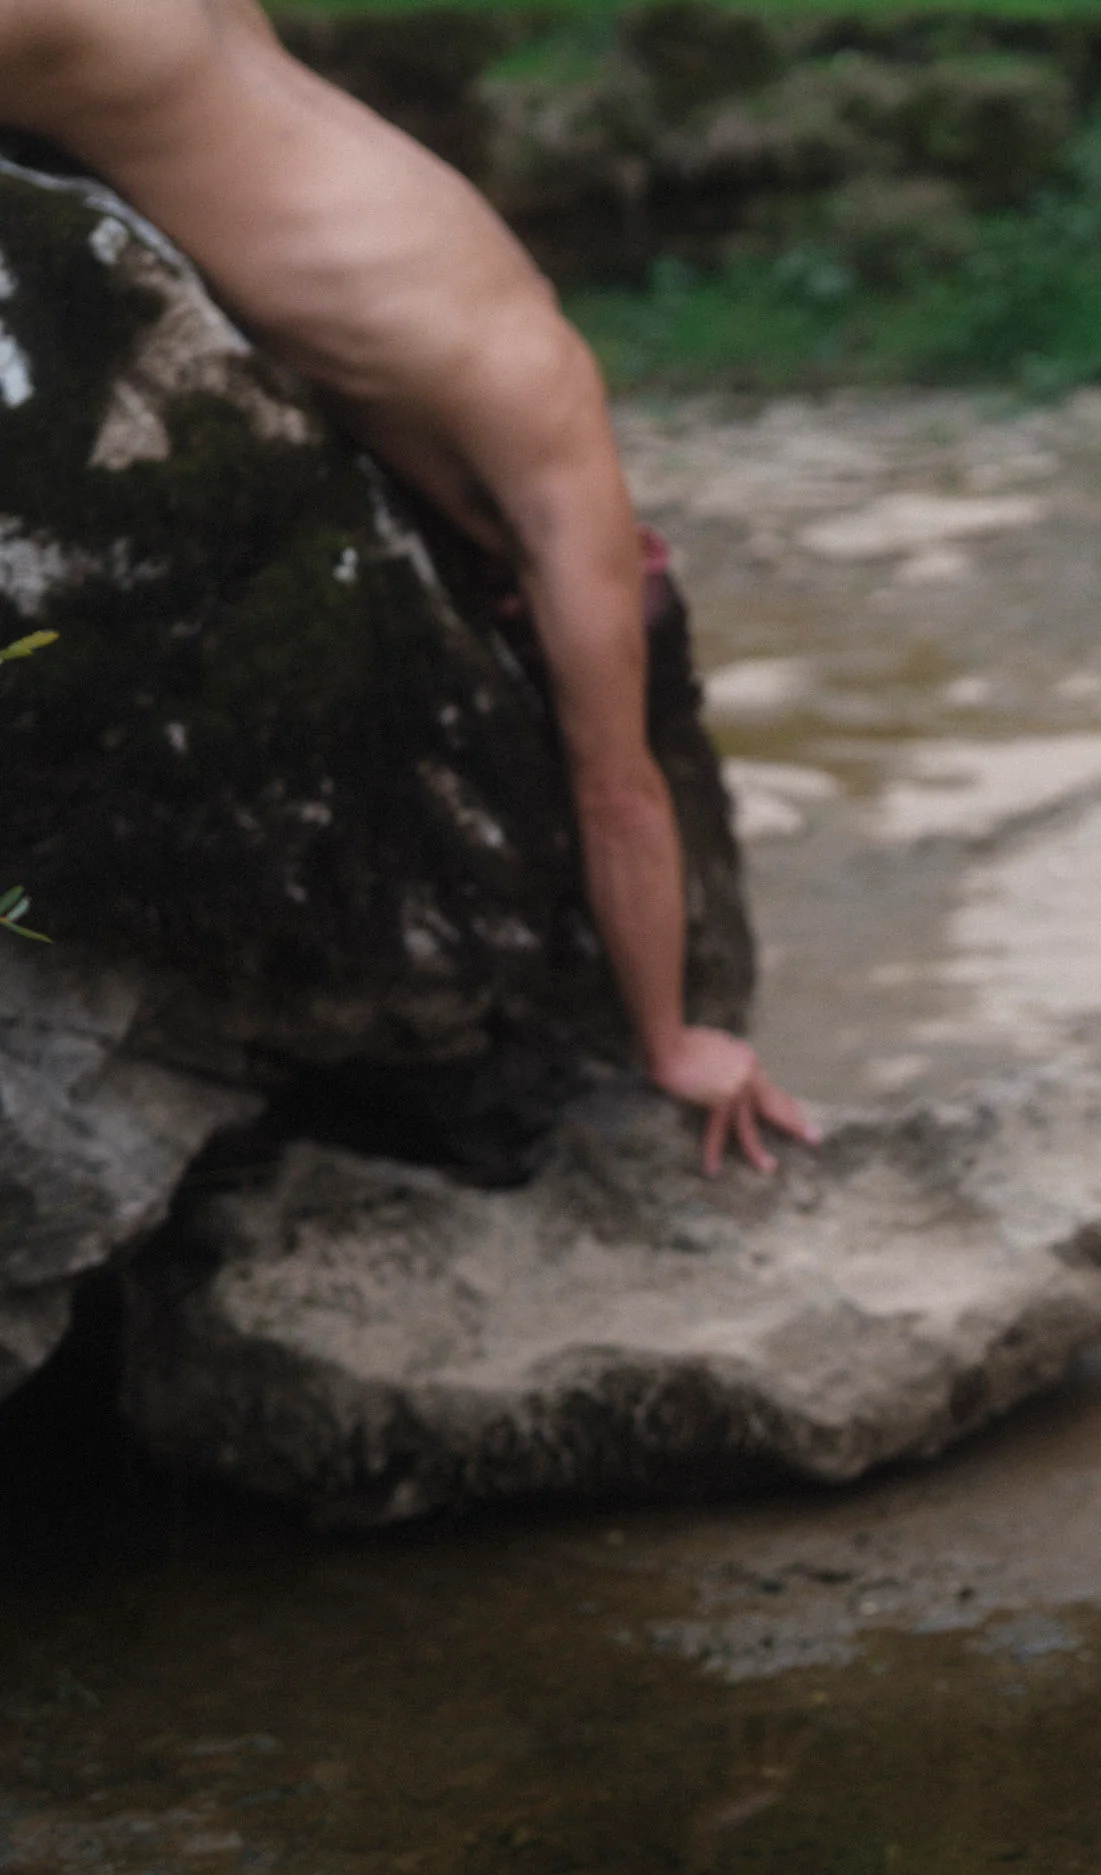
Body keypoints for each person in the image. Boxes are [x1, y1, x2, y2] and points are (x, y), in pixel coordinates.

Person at [0, 0, 813, 1173]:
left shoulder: (518, 339)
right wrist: (672, 1038)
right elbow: (620, 789)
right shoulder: (562, 476)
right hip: (125, 62)